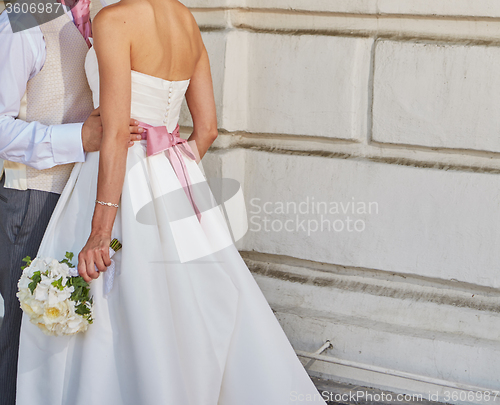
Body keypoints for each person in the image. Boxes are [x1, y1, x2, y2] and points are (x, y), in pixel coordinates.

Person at [16, 0, 327, 403]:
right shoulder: (185, 20)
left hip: (116, 176)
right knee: (183, 308)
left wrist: (100, 231)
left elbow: (114, 134)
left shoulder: (114, 20)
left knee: (123, 306)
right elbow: (208, 129)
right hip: (176, 174)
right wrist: (165, 172)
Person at [0, 1, 143, 403]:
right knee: (18, 338)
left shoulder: (102, 17)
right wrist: (78, 138)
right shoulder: (22, 19)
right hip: (32, 200)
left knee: (64, 340)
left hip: (84, 202)